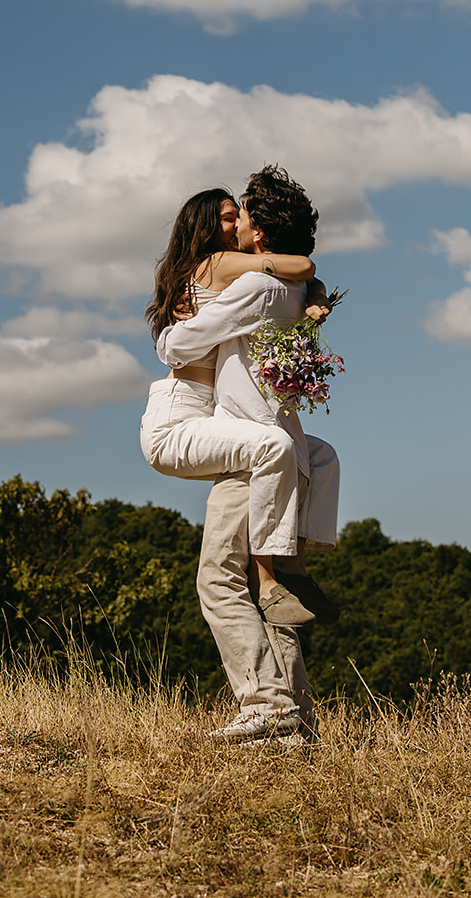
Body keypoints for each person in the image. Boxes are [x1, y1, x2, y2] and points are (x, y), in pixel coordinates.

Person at [155, 166, 339, 744]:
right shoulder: (292, 292)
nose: (235, 226)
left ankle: (266, 706)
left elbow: (178, 343)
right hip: (288, 447)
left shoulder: (256, 286)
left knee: (221, 582)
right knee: (272, 587)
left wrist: (178, 332)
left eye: (243, 217)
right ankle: (297, 716)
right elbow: (305, 280)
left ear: (259, 235)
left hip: (251, 451)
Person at [141, 186, 335, 620]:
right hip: (181, 409)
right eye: (227, 218)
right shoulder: (218, 262)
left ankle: (293, 572)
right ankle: (270, 579)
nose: (234, 225)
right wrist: (308, 274)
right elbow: (298, 267)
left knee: (318, 455)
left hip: (211, 411)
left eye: (238, 216)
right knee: (276, 448)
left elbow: (297, 277)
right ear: (205, 228)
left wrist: (315, 291)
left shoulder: (245, 275)